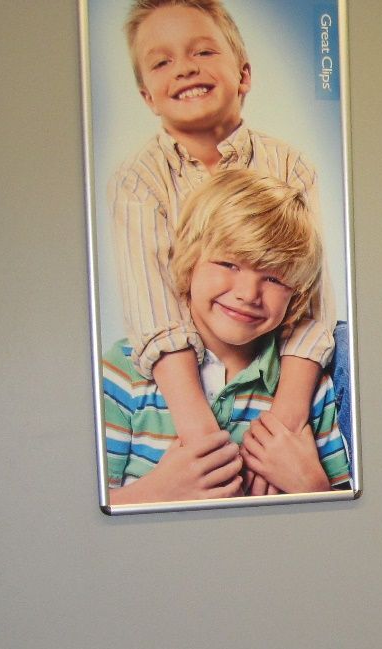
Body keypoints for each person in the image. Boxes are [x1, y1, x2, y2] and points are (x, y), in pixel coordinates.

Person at [110, 0, 337, 494]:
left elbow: (313, 302)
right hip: (179, 400)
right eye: (162, 61)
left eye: (204, 51)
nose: (185, 68)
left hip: (274, 380)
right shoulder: (138, 180)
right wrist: (202, 449)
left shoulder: (292, 167)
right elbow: (154, 314)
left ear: (244, 75)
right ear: (147, 96)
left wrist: (284, 425)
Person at [103, 169, 350, 506]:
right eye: (228, 264)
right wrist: (155, 494)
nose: (248, 294)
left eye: (274, 279)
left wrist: (313, 487)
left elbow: (343, 521)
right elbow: (83, 513)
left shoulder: (312, 390)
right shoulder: (124, 373)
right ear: (189, 260)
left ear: (297, 293)